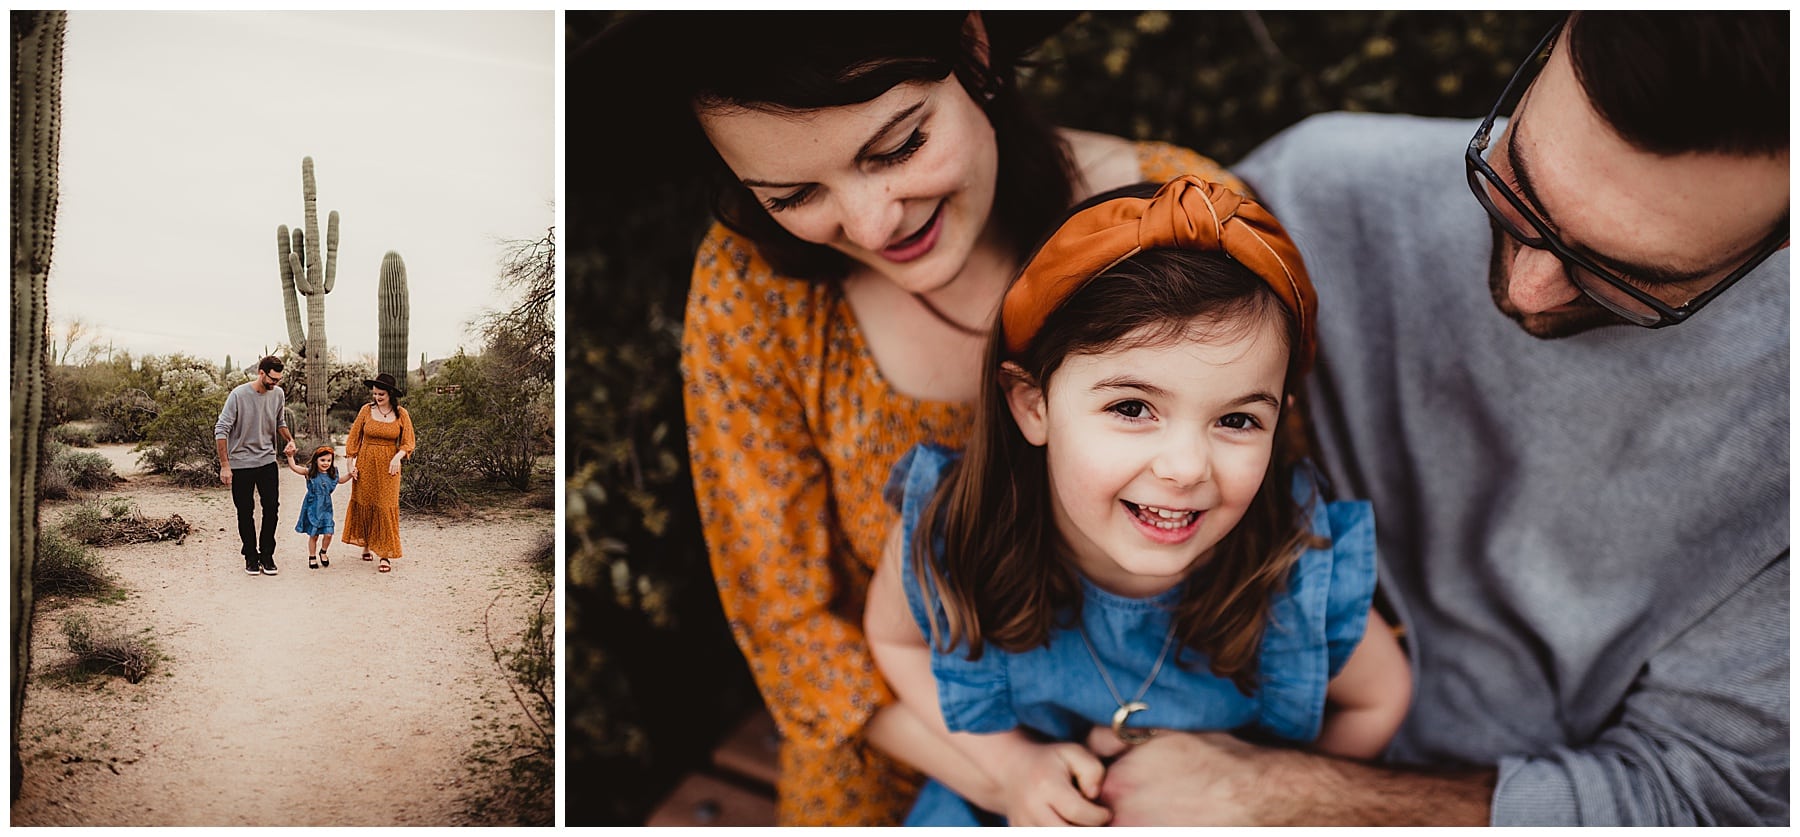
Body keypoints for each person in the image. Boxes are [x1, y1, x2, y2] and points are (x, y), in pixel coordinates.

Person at [1095, 12, 1788, 826]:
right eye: (1516, 184)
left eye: (1625, 278)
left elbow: (1707, 797)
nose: (1526, 289)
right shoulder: (1319, 193)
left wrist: (1282, 798)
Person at [640, 12, 1248, 824]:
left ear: (974, 43)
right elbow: (784, 619)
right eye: (794, 194)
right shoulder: (754, 287)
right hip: (902, 737)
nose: (871, 223)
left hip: (1175, 724)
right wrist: (1006, 775)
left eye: (897, 147)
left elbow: (1273, 499)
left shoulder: (1186, 218)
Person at [862, 176, 1411, 826]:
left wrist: (1269, 793)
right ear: (1033, 405)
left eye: (1237, 420)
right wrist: (1009, 765)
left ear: (1277, 421)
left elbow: (1381, 695)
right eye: (1132, 407)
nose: (1184, 468)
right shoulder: (956, 530)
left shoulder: (1289, 573)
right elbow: (895, 641)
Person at [215, 355, 298, 576]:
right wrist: (225, 465)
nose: (275, 384)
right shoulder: (238, 395)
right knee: (245, 511)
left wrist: (289, 440)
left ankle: (267, 556)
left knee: (272, 509)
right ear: (261, 373)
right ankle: (251, 557)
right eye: (272, 379)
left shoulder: (277, 394)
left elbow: (280, 421)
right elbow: (221, 429)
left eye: (279, 380)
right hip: (241, 463)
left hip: (267, 461)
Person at [342, 373, 416, 575]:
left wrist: (397, 457)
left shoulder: (402, 414)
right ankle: (366, 545)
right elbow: (354, 438)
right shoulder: (366, 410)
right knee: (366, 501)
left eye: (381, 394)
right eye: (374, 393)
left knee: (385, 506)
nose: (377, 397)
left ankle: (385, 553)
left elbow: (408, 442)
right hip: (366, 463)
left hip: (389, 466)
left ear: (390, 393)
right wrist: (351, 465)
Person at [286, 445, 354, 569]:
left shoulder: (332, 473)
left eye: (329, 460)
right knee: (314, 534)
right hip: (312, 506)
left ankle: (323, 551)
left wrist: (351, 474)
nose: (326, 463)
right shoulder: (310, 472)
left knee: (328, 533)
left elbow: (341, 480)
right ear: (316, 460)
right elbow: (295, 468)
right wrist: (290, 457)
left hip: (326, 507)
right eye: (322, 460)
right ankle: (312, 556)